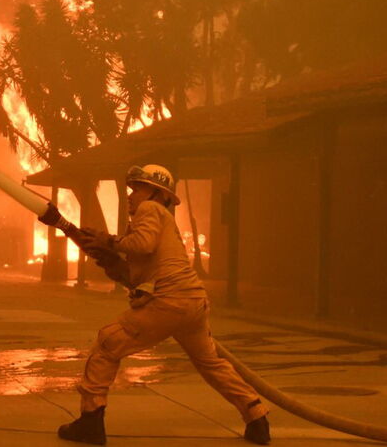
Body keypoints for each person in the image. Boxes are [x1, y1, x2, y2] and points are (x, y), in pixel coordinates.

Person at [57, 164, 270, 445]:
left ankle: (90, 420)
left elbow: (141, 245)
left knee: (107, 344)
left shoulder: (150, 211)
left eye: (137, 189)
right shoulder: (161, 222)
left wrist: (109, 240)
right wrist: (110, 259)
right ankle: (257, 417)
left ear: (157, 194)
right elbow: (137, 272)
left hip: (169, 302)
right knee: (211, 364)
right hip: (192, 303)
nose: (131, 196)